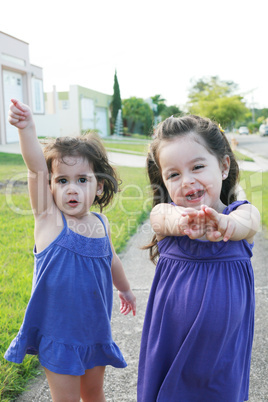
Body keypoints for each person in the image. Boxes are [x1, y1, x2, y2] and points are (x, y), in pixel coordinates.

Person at [4, 99, 136, 402]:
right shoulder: (49, 219)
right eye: (62, 180)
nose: (72, 188)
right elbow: (36, 167)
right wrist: (27, 129)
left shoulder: (101, 223)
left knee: (94, 394)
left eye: (82, 180)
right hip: (59, 335)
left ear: (99, 187)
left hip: (94, 331)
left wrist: (125, 289)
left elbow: (112, 260)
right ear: (50, 186)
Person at [137, 115, 260, 402]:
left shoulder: (243, 214)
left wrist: (224, 224)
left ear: (224, 166)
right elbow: (163, 219)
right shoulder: (165, 215)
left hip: (222, 356)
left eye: (198, 167)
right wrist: (185, 223)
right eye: (174, 174)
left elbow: (246, 223)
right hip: (171, 345)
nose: (187, 180)